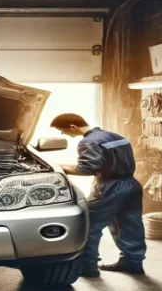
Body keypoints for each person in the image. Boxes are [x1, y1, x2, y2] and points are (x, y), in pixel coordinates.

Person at [50, 113, 146, 277]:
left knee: (88, 225)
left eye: (62, 130)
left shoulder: (88, 142)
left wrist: (56, 167)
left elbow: (86, 169)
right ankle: (133, 262)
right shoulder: (116, 136)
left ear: (73, 127)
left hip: (110, 187)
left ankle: (88, 266)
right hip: (131, 184)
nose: (62, 133)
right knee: (131, 225)